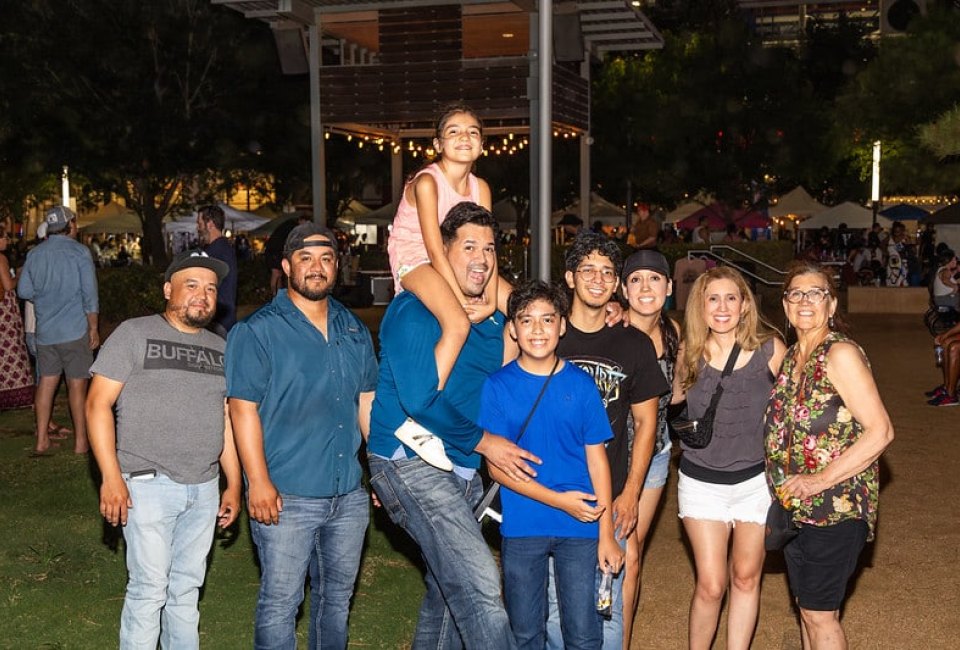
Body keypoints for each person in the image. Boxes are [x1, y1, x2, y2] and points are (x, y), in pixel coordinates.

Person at [367, 201, 536, 649]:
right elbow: (419, 399)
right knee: (480, 582)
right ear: (442, 251)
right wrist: (487, 443)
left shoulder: (496, 321)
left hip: (460, 468)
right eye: (468, 247)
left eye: (489, 247)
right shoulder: (414, 311)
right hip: (409, 461)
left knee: (447, 592)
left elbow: (536, 342)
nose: (481, 258)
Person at [226, 222, 378, 649]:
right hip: (285, 496)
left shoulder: (352, 329)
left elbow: (366, 402)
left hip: (347, 495)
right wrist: (258, 481)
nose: (317, 267)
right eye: (306, 259)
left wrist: (379, 472)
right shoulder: (257, 331)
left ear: (337, 267)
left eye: (326, 258)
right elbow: (241, 409)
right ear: (287, 266)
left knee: (336, 602)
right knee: (280, 603)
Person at [86, 249, 242, 649]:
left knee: (186, 593)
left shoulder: (220, 348)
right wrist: (110, 478)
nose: (202, 295)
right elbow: (96, 404)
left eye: (210, 288)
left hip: (205, 487)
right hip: (146, 484)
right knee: (149, 590)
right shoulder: (134, 334)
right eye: (191, 285)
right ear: (168, 289)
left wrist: (234, 484)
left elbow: (224, 419)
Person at [480, 280, 624, 650]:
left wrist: (607, 533)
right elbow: (496, 469)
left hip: (581, 527)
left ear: (562, 325)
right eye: (527, 321)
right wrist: (560, 501)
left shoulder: (582, 385)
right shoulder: (496, 386)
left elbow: (598, 460)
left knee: (583, 631)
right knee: (526, 630)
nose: (538, 330)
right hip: (523, 524)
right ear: (512, 328)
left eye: (548, 320)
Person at [544, 234, 667, 650]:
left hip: (608, 496)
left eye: (607, 273)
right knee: (555, 611)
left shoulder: (634, 343)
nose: (598, 280)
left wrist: (631, 492)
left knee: (606, 605)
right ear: (570, 278)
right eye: (588, 270)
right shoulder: (548, 335)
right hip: (550, 493)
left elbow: (646, 424)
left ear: (616, 284)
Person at [765, 261, 894, 650]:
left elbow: (881, 431)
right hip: (795, 508)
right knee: (809, 610)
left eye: (816, 293)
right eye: (796, 293)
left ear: (832, 305)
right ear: (786, 305)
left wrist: (816, 481)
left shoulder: (839, 354)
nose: (805, 300)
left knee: (820, 616)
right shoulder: (791, 360)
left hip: (835, 507)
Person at [386, 104, 505, 470]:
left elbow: (488, 243)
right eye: (453, 131)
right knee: (457, 322)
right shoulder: (426, 181)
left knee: (517, 304)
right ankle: (422, 420)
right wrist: (462, 296)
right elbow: (434, 247)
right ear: (438, 142)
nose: (463, 137)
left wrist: (490, 296)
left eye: (472, 131)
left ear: (482, 145)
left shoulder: (479, 186)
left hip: (461, 256)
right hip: (416, 256)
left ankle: (509, 404)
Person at [673, 266, 786, 650]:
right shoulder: (687, 352)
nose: (722, 307)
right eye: (713, 298)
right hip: (702, 483)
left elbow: (792, 413)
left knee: (746, 576)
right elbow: (672, 412)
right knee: (711, 584)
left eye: (731, 298)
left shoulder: (771, 350)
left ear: (744, 305)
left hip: (755, 483)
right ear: (700, 307)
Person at [619, 249, 681, 650]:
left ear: (669, 287)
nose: (646, 287)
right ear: (623, 289)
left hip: (655, 456)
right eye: (636, 279)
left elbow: (676, 393)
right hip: (609, 458)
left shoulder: (675, 331)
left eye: (655, 279)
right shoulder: (610, 325)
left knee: (630, 558)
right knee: (625, 553)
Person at [18, 206, 99, 455]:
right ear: (70, 225)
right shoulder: (79, 253)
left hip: (46, 333)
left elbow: (23, 291)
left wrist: (46, 295)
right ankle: (80, 443)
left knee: (47, 383)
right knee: (77, 386)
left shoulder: (35, 254)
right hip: (74, 330)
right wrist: (94, 327)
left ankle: (42, 439)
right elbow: (90, 294)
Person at [0, 225, 34, 409]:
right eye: (4, 237)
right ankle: (15, 393)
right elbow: (8, 285)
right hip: (4, 311)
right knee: (10, 350)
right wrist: (19, 276)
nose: (7, 240)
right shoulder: (1, 258)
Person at [196, 205, 238, 336]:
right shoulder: (225, 249)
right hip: (224, 320)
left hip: (217, 323)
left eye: (199, 223)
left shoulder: (213, 253)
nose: (198, 228)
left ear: (210, 224)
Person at [264, 214, 309, 296]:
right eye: (305, 223)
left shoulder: (290, 225)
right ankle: (274, 294)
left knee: (279, 274)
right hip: (274, 250)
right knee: (276, 273)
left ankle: (278, 295)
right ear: (302, 220)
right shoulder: (292, 227)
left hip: (276, 250)